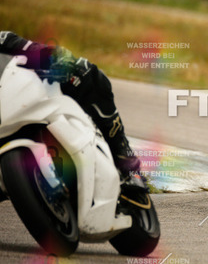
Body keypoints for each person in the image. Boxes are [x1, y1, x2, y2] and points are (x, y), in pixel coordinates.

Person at [0, 31, 147, 193]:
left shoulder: (2, 39)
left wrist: (56, 58)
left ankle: (126, 161)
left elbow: (30, 48)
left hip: (19, 106)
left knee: (85, 72)